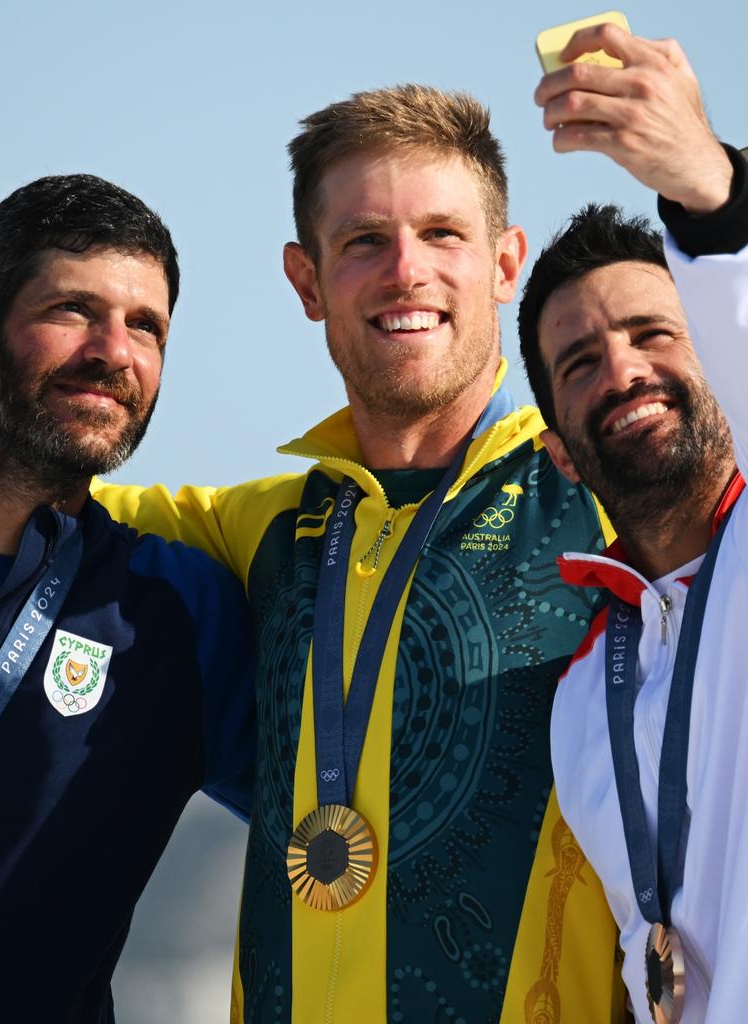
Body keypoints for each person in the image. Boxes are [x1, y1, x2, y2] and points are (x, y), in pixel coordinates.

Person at [94, 87, 628, 1023]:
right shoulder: (255, 528)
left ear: (506, 264)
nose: (405, 273)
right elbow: (31, 482)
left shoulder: (608, 498)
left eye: (442, 235)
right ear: (307, 283)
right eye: (364, 243)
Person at [0, 174, 255, 1023]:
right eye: (72, 309)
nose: (116, 351)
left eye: (147, 326)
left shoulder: (177, 611)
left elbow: (366, 811)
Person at [519, 22, 748, 1023]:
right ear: (561, 449)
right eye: (580, 364)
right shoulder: (582, 698)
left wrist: (704, 184)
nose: (623, 371)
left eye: (658, 333)